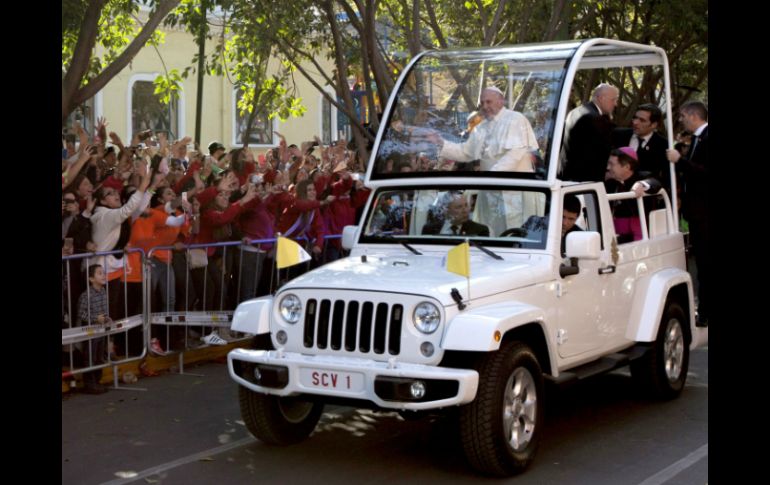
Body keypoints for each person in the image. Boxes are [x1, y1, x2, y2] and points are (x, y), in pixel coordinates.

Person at [666, 101, 709, 327]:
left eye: (682, 116)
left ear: (693, 116)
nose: (681, 120)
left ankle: (705, 311)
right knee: (702, 261)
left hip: (705, 212)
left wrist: (679, 161)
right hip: (696, 212)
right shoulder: (696, 139)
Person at [427, 86, 539, 172]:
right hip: (490, 189)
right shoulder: (481, 126)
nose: (484, 106)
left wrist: (491, 177)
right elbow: (465, 152)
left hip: (513, 189)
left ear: (501, 101)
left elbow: (515, 154)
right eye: (482, 103)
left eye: (488, 102)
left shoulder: (515, 118)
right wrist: (440, 142)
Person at [561, 83, 619, 182]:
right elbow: (601, 152)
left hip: (568, 176)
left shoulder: (577, 111)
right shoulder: (593, 118)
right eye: (613, 100)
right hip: (584, 181)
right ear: (601, 98)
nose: (615, 104)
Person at [612, 103, 671, 195]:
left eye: (642, 120)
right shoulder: (618, 135)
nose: (635, 122)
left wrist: (644, 184)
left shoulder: (663, 145)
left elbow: (665, 177)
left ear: (654, 125)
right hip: (612, 193)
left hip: (642, 199)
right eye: (635, 118)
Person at [605, 147, 661, 243]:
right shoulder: (611, 182)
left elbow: (656, 182)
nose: (608, 168)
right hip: (618, 233)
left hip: (642, 233)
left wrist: (642, 184)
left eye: (612, 164)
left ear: (627, 167)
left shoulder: (643, 177)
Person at [76, 264, 110, 394]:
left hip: (101, 331)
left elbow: (105, 309)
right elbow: (81, 314)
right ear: (91, 278)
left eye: (104, 273)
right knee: (90, 357)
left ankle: (97, 381)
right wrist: (96, 318)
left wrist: (107, 318)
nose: (103, 275)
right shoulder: (86, 295)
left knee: (99, 357)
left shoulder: (103, 291)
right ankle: (90, 384)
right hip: (90, 332)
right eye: (99, 273)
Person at [422, 195, 490, 237]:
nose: (465, 210)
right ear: (446, 210)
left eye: (466, 205)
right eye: (459, 207)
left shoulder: (480, 231)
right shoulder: (429, 229)